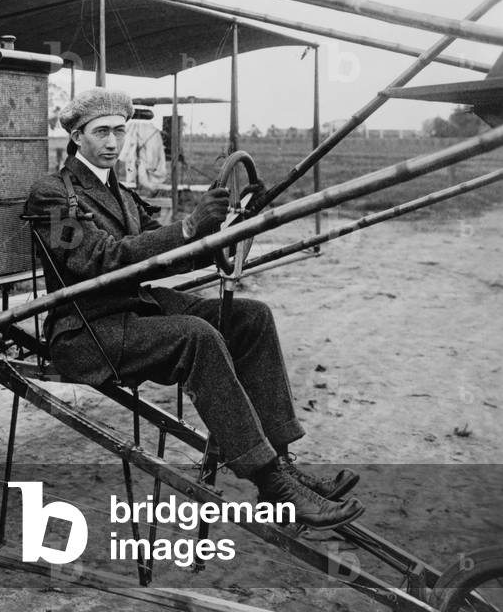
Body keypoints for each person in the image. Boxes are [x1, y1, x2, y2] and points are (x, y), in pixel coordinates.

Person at [24, 88, 364, 530]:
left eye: (119, 132)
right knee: (195, 335)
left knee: (250, 316)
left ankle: (281, 463)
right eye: (101, 132)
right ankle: (271, 483)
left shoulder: (121, 194)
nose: (112, 142)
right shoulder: (52, 194)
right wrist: (187, 227)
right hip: (86, 331)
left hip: (133, 311)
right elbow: (97, 260)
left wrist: (223, 230)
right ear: (76, 136)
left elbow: (172, 254)